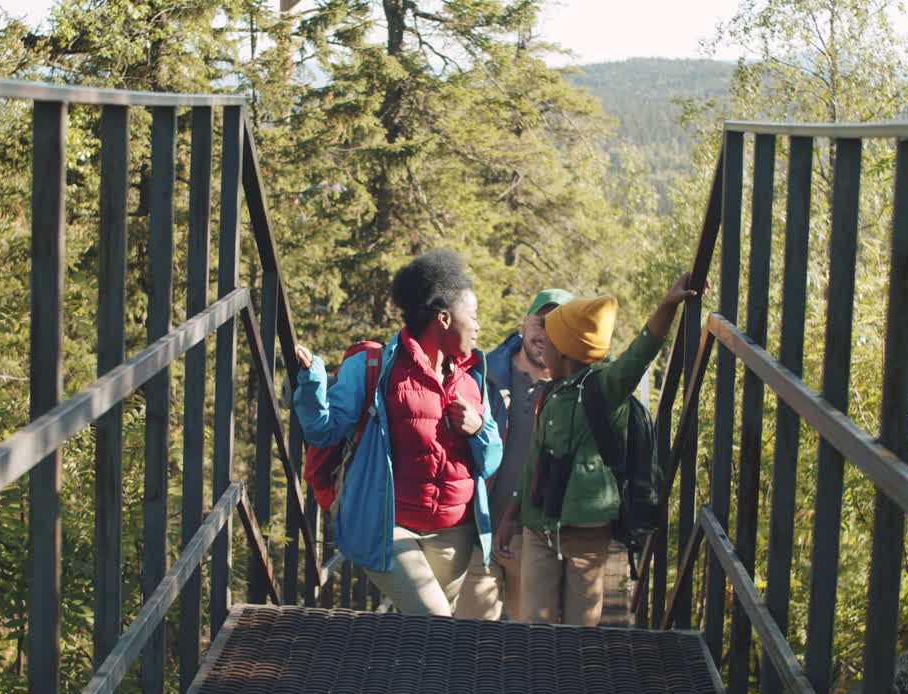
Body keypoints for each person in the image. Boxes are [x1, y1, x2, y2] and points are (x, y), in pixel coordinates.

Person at [293, 249, 502, 616]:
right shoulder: (375, 366)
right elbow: (323, 431)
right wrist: (313, 382)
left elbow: (492, 458)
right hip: (391, 528)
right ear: (443, 318)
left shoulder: (472, 379)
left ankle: (411, 675)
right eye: (474, 316)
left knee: (429, 635)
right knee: (436, 622)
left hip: (455, 533)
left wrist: (480, 428)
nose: (478, 326)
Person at [494, 273, 700, 626]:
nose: (544, 346)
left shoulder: (605, 387)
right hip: (538, 527)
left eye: (552, 341)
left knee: (581, 628)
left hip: (586, 533)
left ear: (569, 349)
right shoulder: (552, 393)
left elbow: (642, 351)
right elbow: (534, 462)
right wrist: (512, 514)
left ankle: (572, 679)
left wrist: (667, 306)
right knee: (533, 623)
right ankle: (538, 679)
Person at [452, 288, 573, 621]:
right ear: (525, 322)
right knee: (467, 643)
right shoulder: (482, 375)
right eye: (540, 323)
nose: (545, 334)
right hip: (479, 534)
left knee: (531, 651)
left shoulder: (572, 394)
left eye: (557, 326)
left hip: (538, 542)